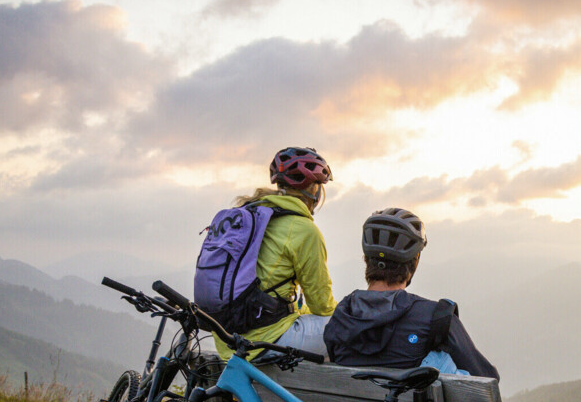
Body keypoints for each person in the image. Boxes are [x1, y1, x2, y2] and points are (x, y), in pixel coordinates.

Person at [323, 207, 499, 380]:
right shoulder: (437, 318)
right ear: (414, 262)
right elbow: (486, 380)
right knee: (440, 361)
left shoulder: (342, 316)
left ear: (366, 259)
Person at [212, 146, 337, 361]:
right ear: (313, 189)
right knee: (342, 329)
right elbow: (322, 305)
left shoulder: (251, 214)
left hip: (227, 340)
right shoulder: (303, 230)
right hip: (263, 341)